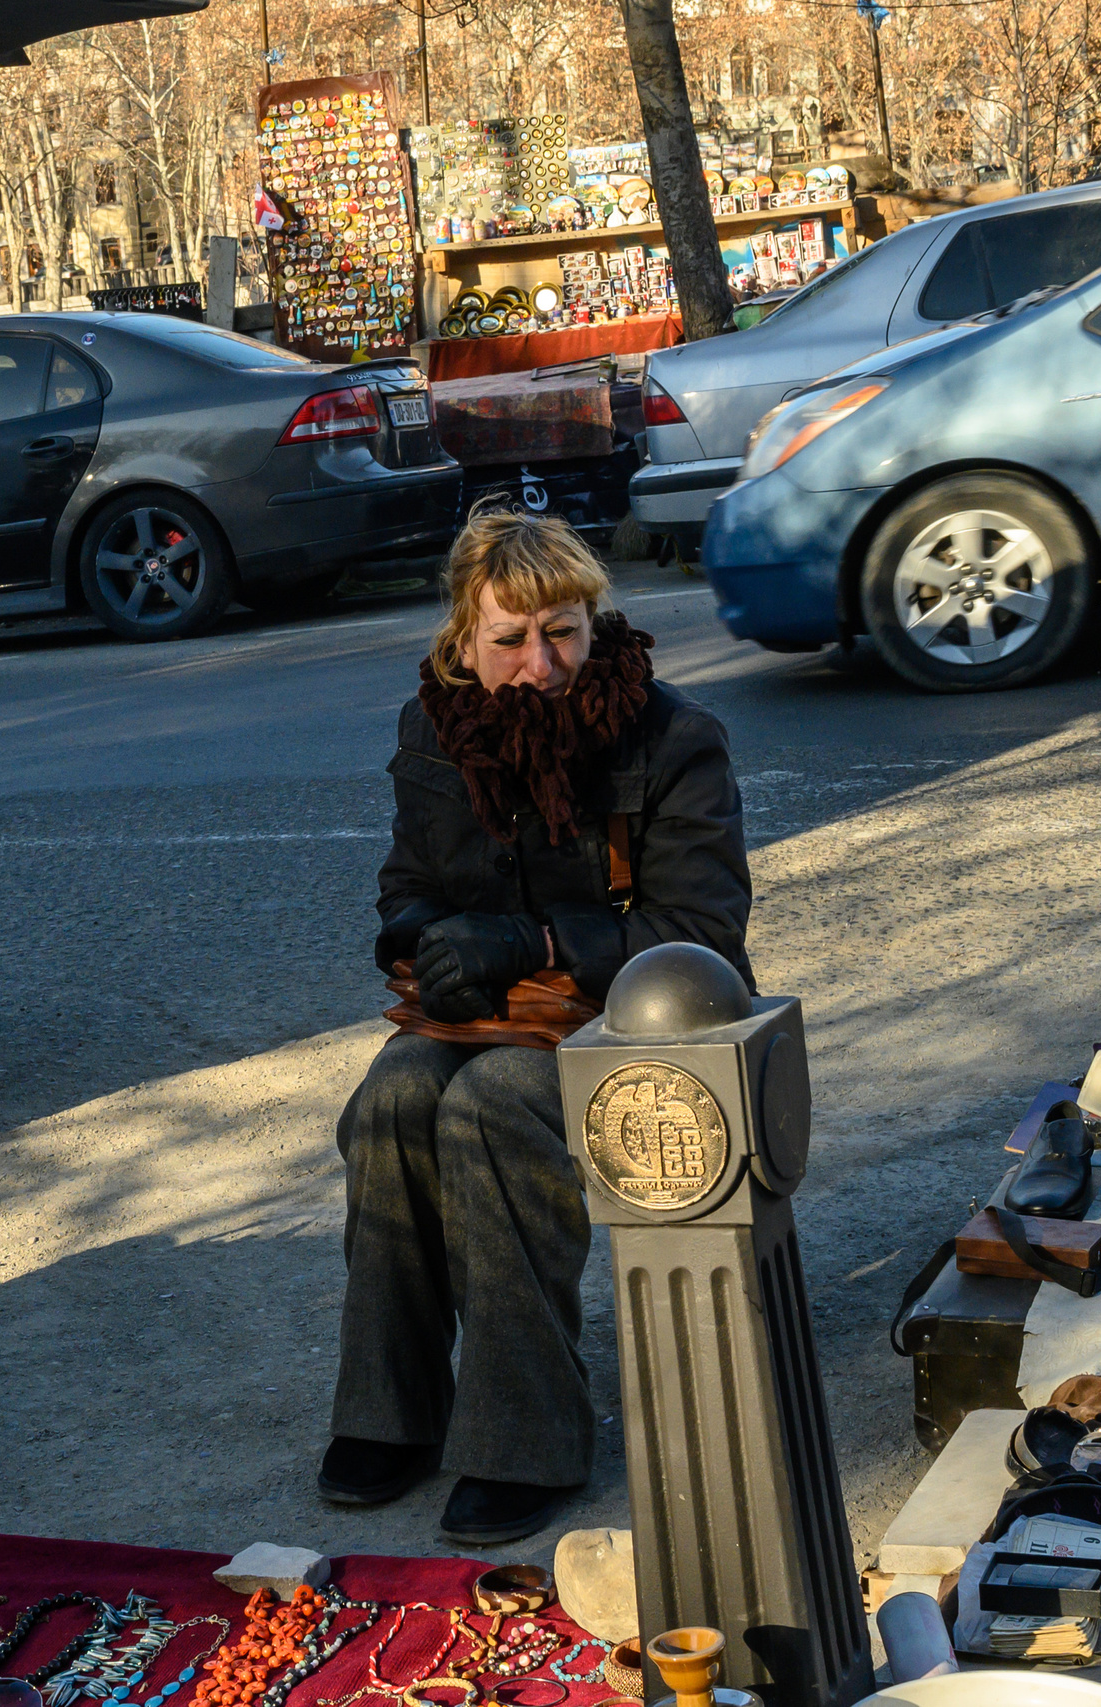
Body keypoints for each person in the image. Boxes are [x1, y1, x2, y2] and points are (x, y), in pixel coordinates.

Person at [322, 507, 752, 1545]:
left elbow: (701, 932)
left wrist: (535, 940)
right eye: (510, 638)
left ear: (594, 623)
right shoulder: (433, 727)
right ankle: (392, 1410)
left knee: (493, 1107)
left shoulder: (673, 735)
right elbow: (406, 883)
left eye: (561, 632)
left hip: (634, 1016)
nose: (540, 664)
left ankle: (526, 1437)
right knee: (389, 1101)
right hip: (491, 1014)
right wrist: (422, 938)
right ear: (464, 639)